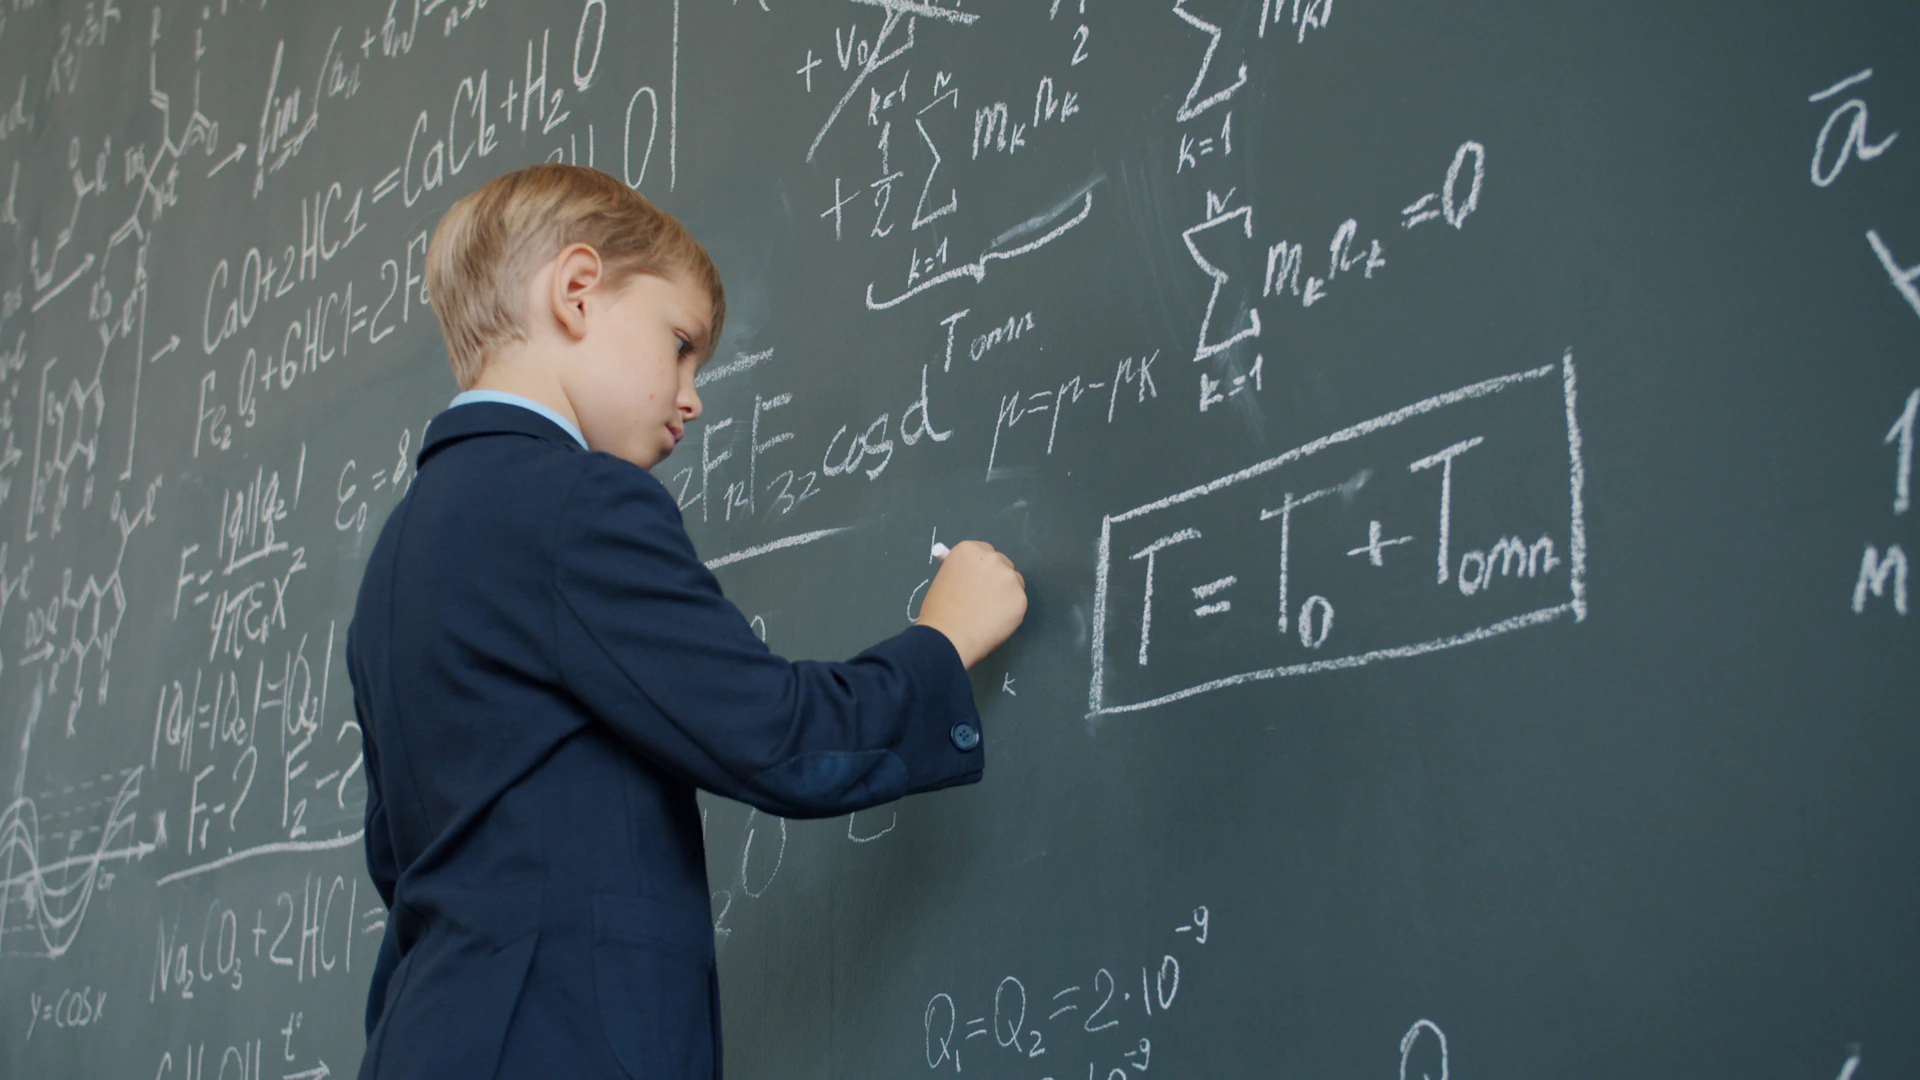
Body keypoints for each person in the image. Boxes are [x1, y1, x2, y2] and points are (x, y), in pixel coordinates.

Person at [348, 163, 1027, 1080]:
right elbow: (774, 734)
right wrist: (941, 642)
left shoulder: (403, 548)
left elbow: (397, 853)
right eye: (679, 345)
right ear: (578, 291)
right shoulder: (576, 501)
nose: (693, 396)